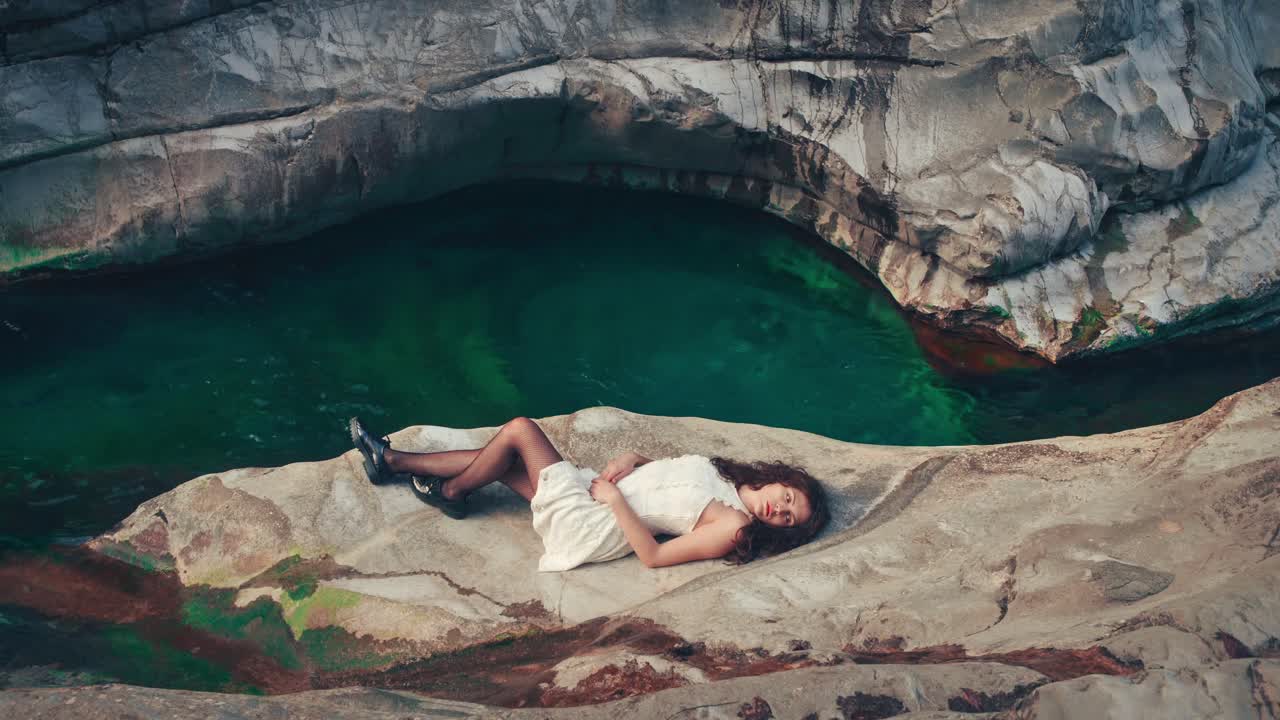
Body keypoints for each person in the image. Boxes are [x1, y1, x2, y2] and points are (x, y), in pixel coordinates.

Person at [349, 416, 829, 572]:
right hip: (595, 490)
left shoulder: (735, 527)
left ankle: (450, 492)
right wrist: (634, 459)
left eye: (787, 519)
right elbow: (677, 481)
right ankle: (390, 462)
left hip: (594, 520)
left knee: (519, 431)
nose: (779, 510)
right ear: (779, 480)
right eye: (788, 499)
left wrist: (616, 502)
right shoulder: (729, 475)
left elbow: (655, 557)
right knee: (501, 459)